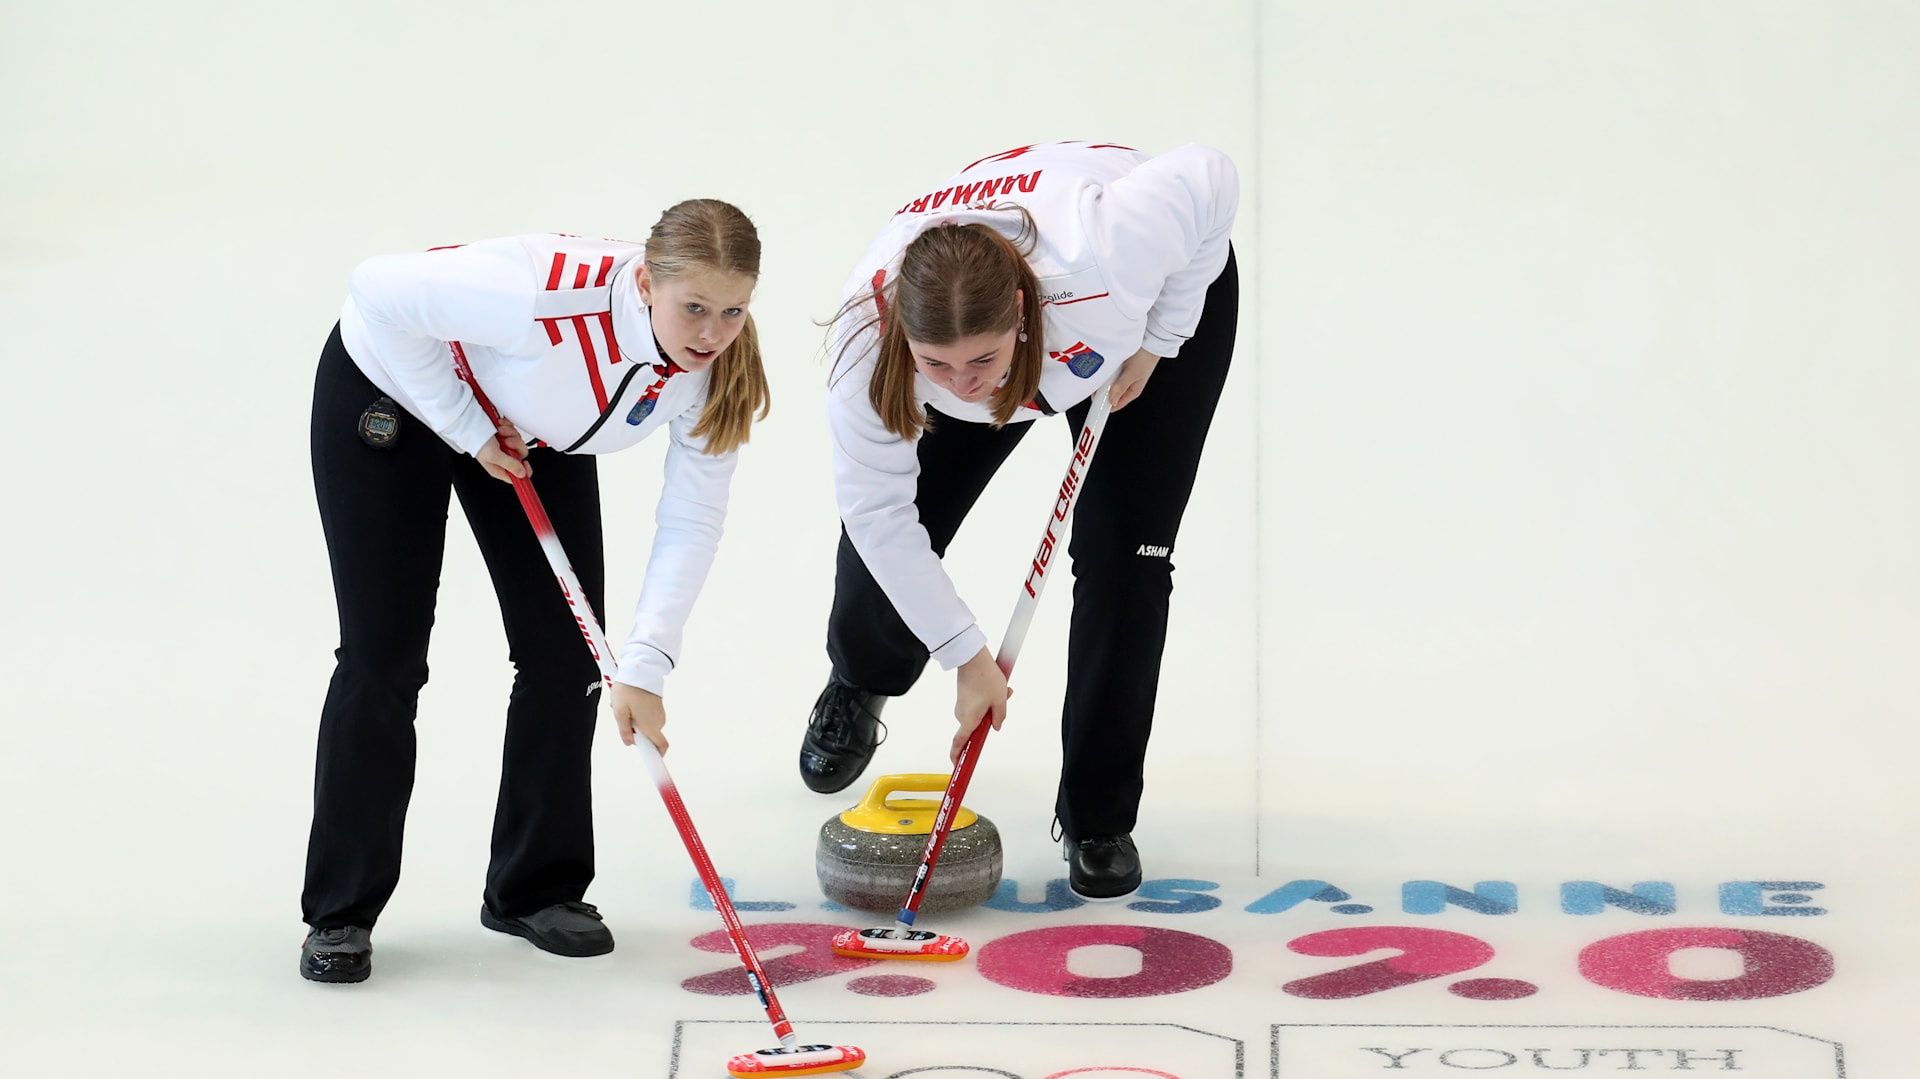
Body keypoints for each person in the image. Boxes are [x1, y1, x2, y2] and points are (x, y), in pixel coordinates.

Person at [301, 200, 768, 982]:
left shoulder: (714, 370)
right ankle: (340, 912)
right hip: (395, 385)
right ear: (646, 282)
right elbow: (375, 287)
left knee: (568, 655)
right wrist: (463, 424)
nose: (712, 331)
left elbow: (692, 519)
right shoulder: (536, 297)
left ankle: (533, 888)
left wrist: (644, 666)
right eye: (694, 307)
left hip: (531, 422)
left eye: (732, 310)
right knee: (385, 656)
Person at [802, 141, 1240, 901]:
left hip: (1137, 325)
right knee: (902, 529)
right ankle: (862, 675)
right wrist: (966, 654)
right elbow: (877, 513)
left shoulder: (1105, 253)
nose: (966, 385)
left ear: (1020, 312)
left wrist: (1160, 336)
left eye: (981, 361)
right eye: (937, 364)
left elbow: (1209, 177)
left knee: (1124, 558)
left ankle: (1097, 818)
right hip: (1040, 330)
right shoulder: (864, 340)